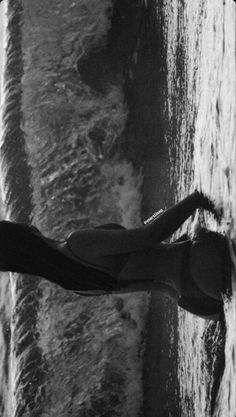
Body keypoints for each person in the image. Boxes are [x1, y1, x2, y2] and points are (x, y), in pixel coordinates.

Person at [0, 191, 229, 318]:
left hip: (194, 299)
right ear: (20, 231)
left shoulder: (71, 282)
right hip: (196, 262)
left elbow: (158, 286)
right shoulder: (77, 243)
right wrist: (195, 199)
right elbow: (150, 235)